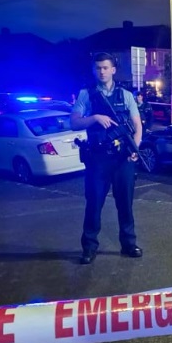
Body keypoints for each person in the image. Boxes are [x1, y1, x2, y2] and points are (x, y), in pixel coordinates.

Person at [70, 52, 144, 265]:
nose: (101, 71)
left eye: (105, 67)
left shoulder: (126, 95)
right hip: (98, 159)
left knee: (125, 205)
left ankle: (129, 244)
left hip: (123, 159)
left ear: (113, 70)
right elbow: (74, 122)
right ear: (94, 70)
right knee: (94, 204)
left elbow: (137, 126)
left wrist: (135, 148)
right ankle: (89, 248)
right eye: (98, 68)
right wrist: (94, 118)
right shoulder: (87, 94)